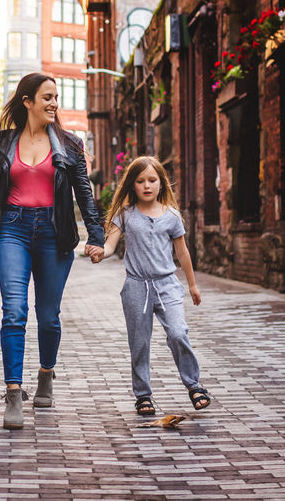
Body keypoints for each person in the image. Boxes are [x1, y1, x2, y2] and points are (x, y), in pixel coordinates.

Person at [0, 72, 105, 429]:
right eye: (47, 97)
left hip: (53, 233)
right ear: (27, 101)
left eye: (56, 97)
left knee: (48, 316)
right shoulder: (4, 143)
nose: (54, 103)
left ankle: (46, 372)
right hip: (12, 227)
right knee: (13, 310)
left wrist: (96, 235)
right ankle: (13, 393)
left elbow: (84, 193)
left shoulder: (70, 145)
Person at [90, 156, 211, 415]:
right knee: (140, 343)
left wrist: (192, 285)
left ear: (161, 183)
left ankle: (194, 385)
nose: (147, 186)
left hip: (167, 285)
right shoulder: (125, 215)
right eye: (140, 181)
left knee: (178, 333)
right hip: (136, 287)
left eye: (152, 180)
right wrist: (101, 252)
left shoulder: (171, 216)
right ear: (132, 185)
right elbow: (111, 244)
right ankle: (143, 395)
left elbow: (183, 253)